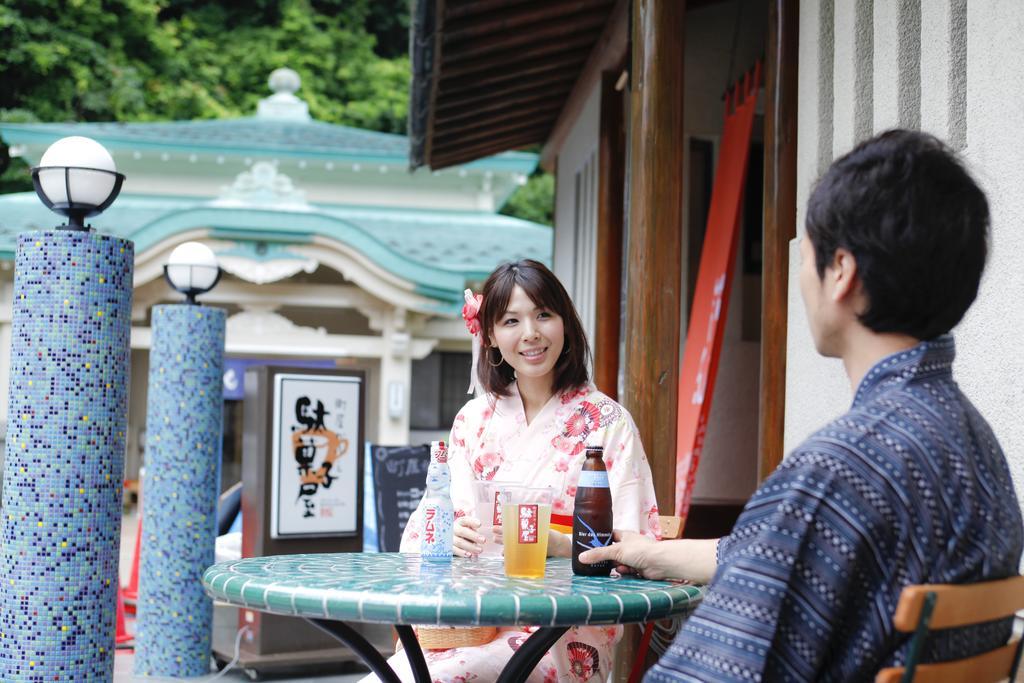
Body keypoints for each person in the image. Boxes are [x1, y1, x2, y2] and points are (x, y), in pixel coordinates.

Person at [580, 130, 1024, 681]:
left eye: (805, 251)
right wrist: (656, 553)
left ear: (841, 270)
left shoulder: (842, 468)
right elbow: (789, 554)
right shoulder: (978, 448)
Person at [364, 259, 661, 683]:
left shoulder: (606, 422)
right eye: (511, 321)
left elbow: (636, 550)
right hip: (472, 621)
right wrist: (446, 533)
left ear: (566, 324)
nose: (531, 333)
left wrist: (563, 545)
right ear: (490, 336)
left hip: (562, 629)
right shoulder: (473, 421)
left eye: (544, 315)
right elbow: (433, 522)